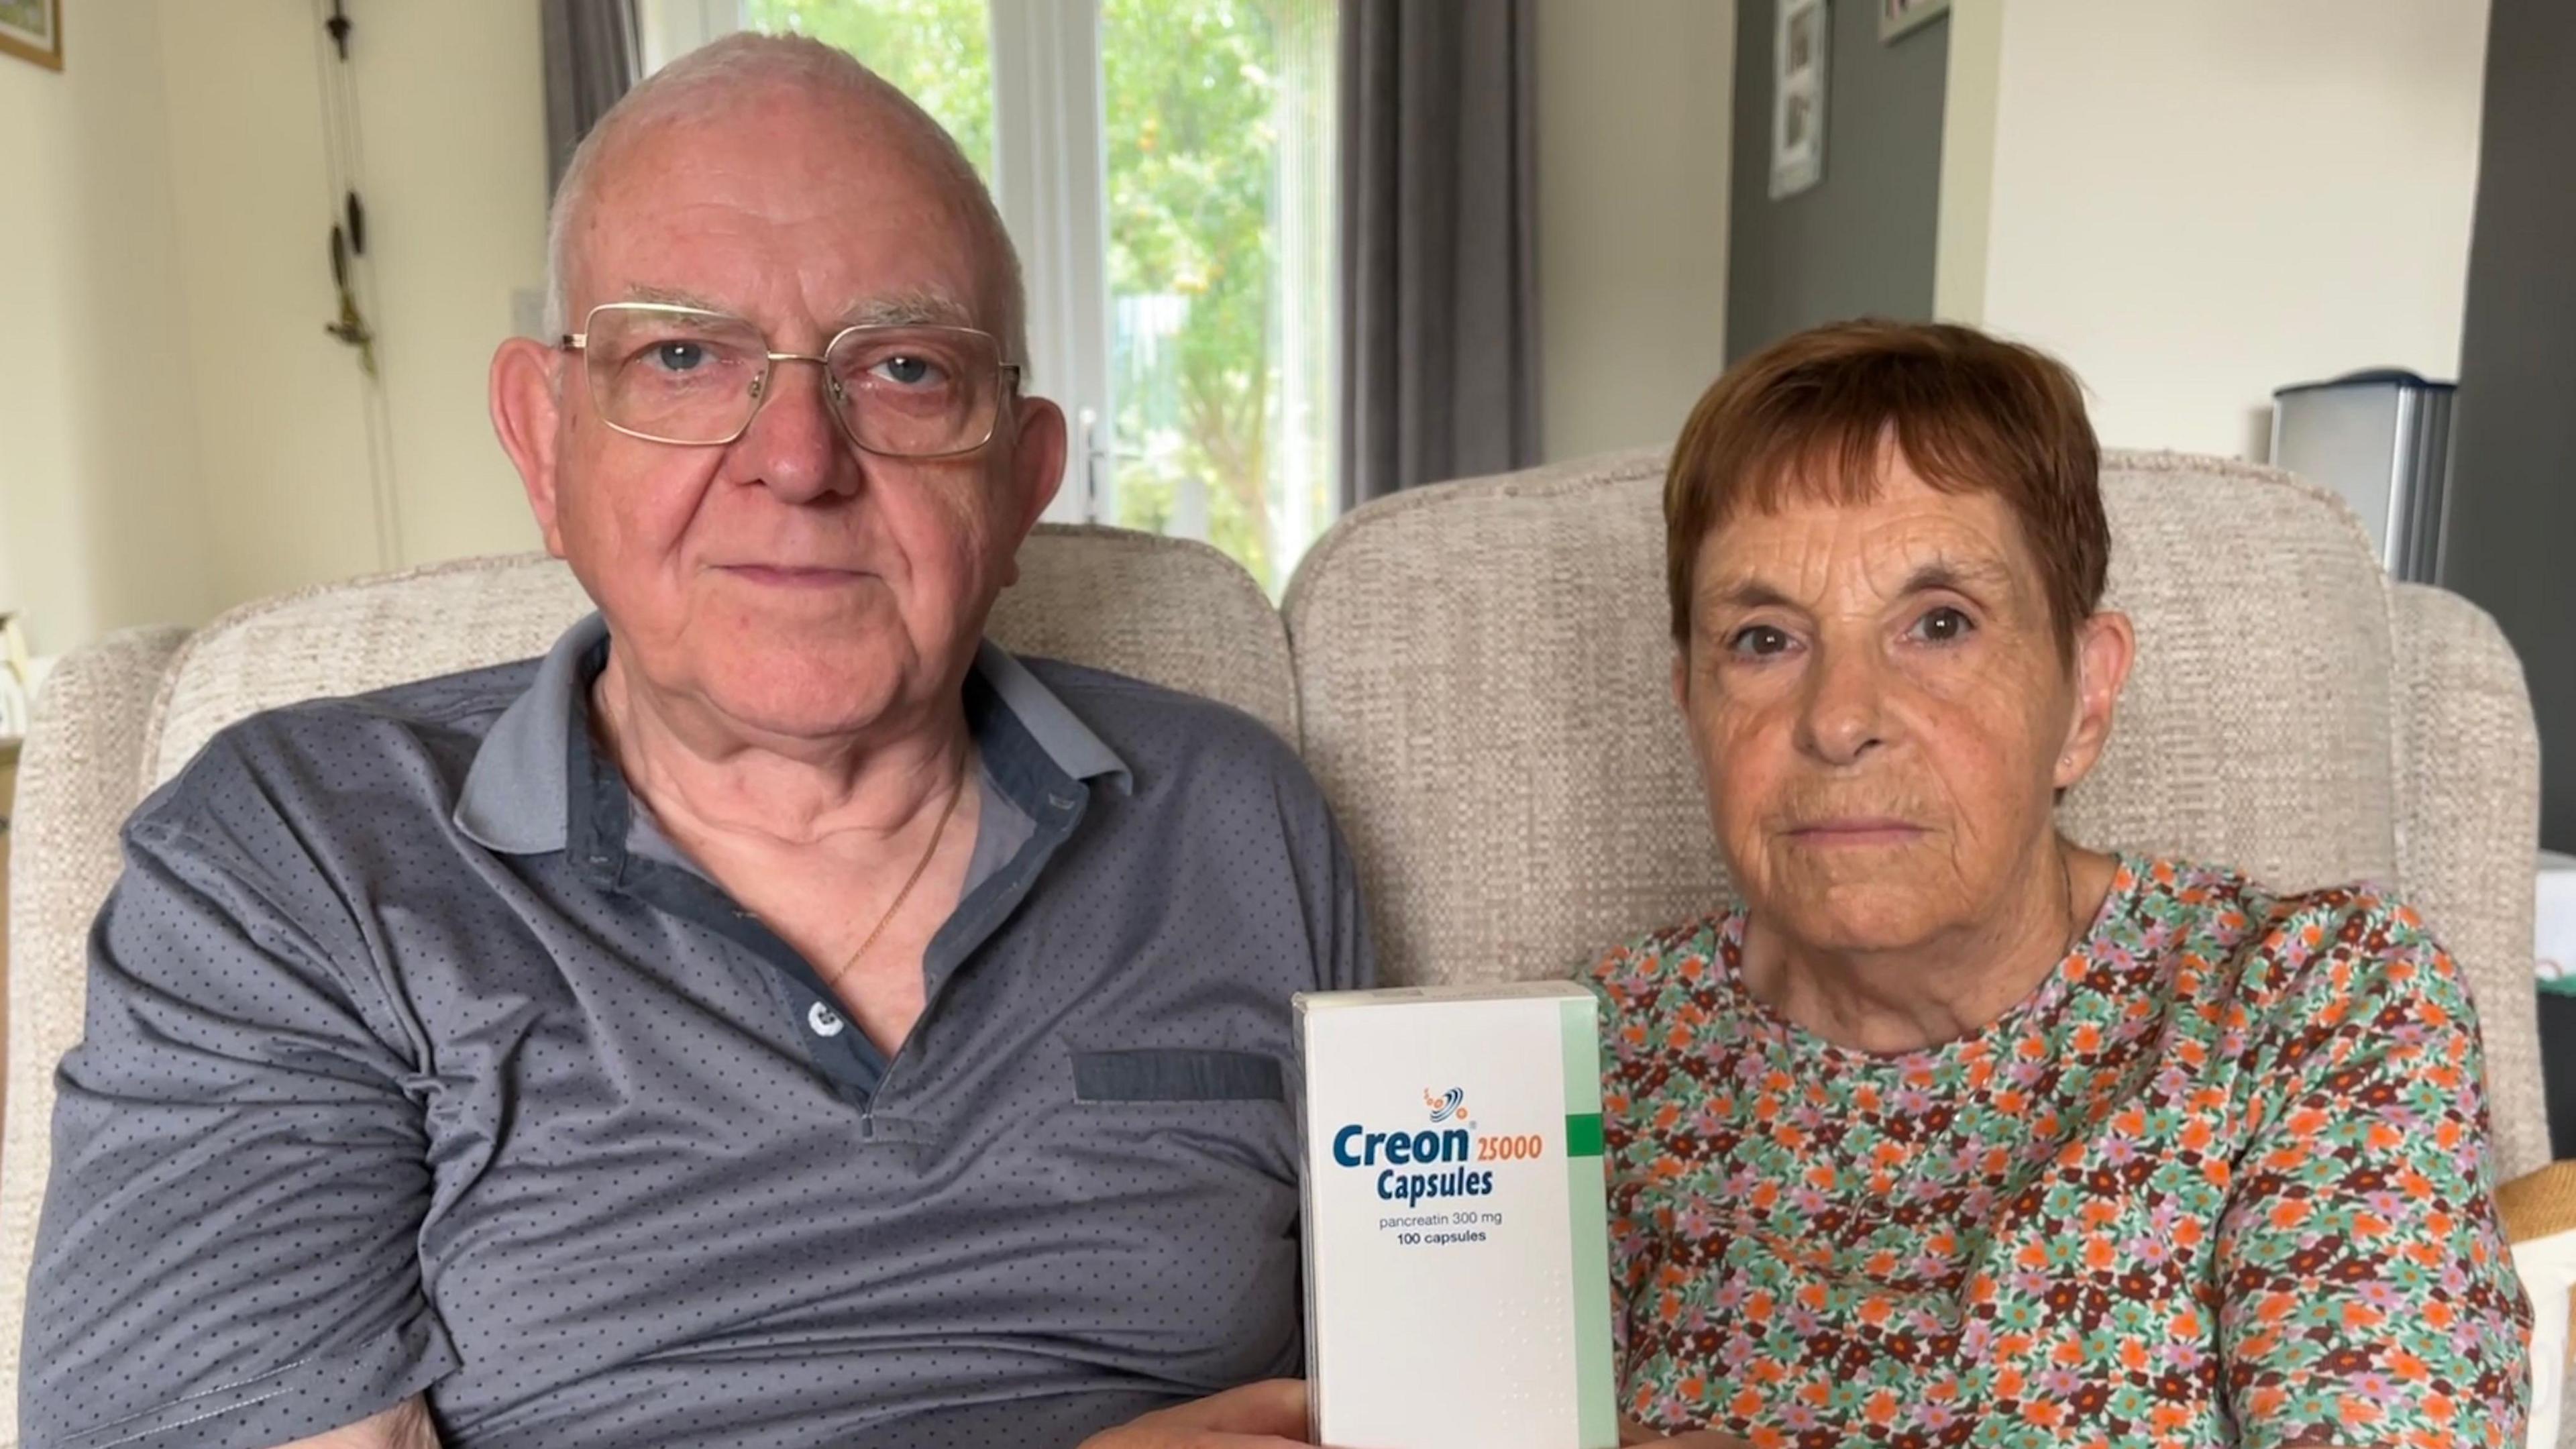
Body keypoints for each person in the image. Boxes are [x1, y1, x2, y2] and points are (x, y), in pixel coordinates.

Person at [22, 35, 1363, 1449]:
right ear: (542, 444)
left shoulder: (1234, 819)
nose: (798, 458)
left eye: (903, 368)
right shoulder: (298, 853)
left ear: (1023, 478)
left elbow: (1437, 1366)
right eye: (682, 356)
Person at [1591, 321, 2531, 1448]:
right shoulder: (1593, 1060)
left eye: (1939, 625)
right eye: (1763, 639)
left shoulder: (2312, 1008)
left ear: (2084, 698)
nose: (1839, 720)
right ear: (1692, 701)